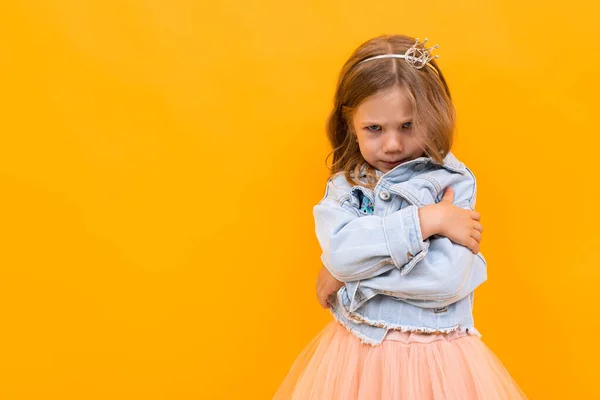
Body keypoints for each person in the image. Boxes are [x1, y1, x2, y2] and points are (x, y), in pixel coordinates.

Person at [272, 34, 528, 399]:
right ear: (350, 126)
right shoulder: (348, 187)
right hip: (359, 355)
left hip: (440, 362)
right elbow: (342, 251)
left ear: (433, 117)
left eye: (407, 126)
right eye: (374, 129)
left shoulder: (452, 183)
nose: (392, 144)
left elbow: (445, 280)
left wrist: (350, 278)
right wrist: (428, 220)